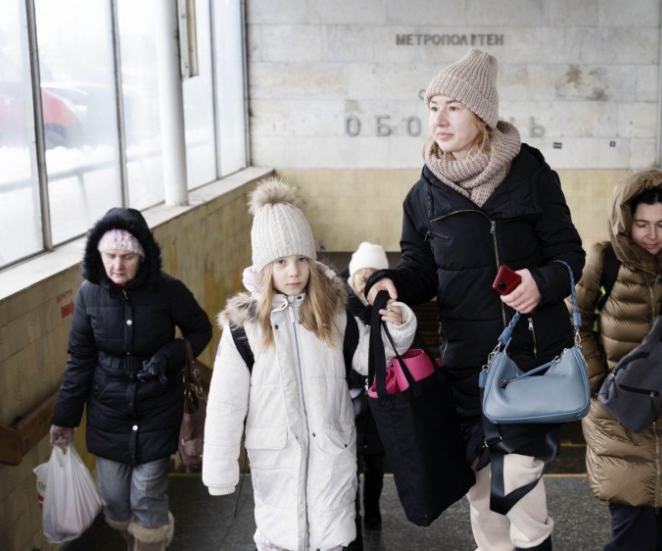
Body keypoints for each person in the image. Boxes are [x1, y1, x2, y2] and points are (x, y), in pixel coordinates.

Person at [366, 48, 585, 551]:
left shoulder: (531, 173)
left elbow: (569, 255)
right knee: (486, 505)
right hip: (468, 368)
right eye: (433, 106)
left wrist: (543, 283)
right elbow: (422, 270)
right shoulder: (423, 196)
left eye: (453, 107)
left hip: (530, 363)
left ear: (481, 114)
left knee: (523, 498)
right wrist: (392, 282)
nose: (438, 119)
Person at [201, 178, 417, 551]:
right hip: (276, 466)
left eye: (301, 259)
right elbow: (225, 403)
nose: (293, 271)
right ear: (265, 267)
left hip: (331, 458)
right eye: (281, 261)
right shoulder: (244, 328)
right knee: (282, 536)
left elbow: (370, 358)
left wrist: (399, 328)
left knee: (334, 536)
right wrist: (220, 468)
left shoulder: (333, 316)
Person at [49, 207, 213, 551]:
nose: (117, 266)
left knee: (147, 492)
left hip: (157, 407)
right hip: (108, 412)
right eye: (110, 256)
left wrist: (168, 356)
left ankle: (149, 545)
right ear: (99, 255)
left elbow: (201, 329)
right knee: (114, 500)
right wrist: (64, 419)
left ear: (143, 257)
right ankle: (133, 542)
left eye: (127, 257)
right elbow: (79, 359)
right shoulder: (88, 294)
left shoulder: (168, 291)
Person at [572, 171, 662, 551]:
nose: (652, 235)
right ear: (625, 221)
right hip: (619, 415)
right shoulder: (605, 261)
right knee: (631, 535)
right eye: (642, 224)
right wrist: (598, 381)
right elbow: (575, 324)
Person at [342, 241, 391, 547]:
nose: (367, 281)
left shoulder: (390, 307)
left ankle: (372, 510)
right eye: (362, 275)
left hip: (378, 403)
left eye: (374, 275)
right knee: (348, 468)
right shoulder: (340, 311)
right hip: (347, 402)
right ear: (352, 278)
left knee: (375, 465)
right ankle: (354, 521)